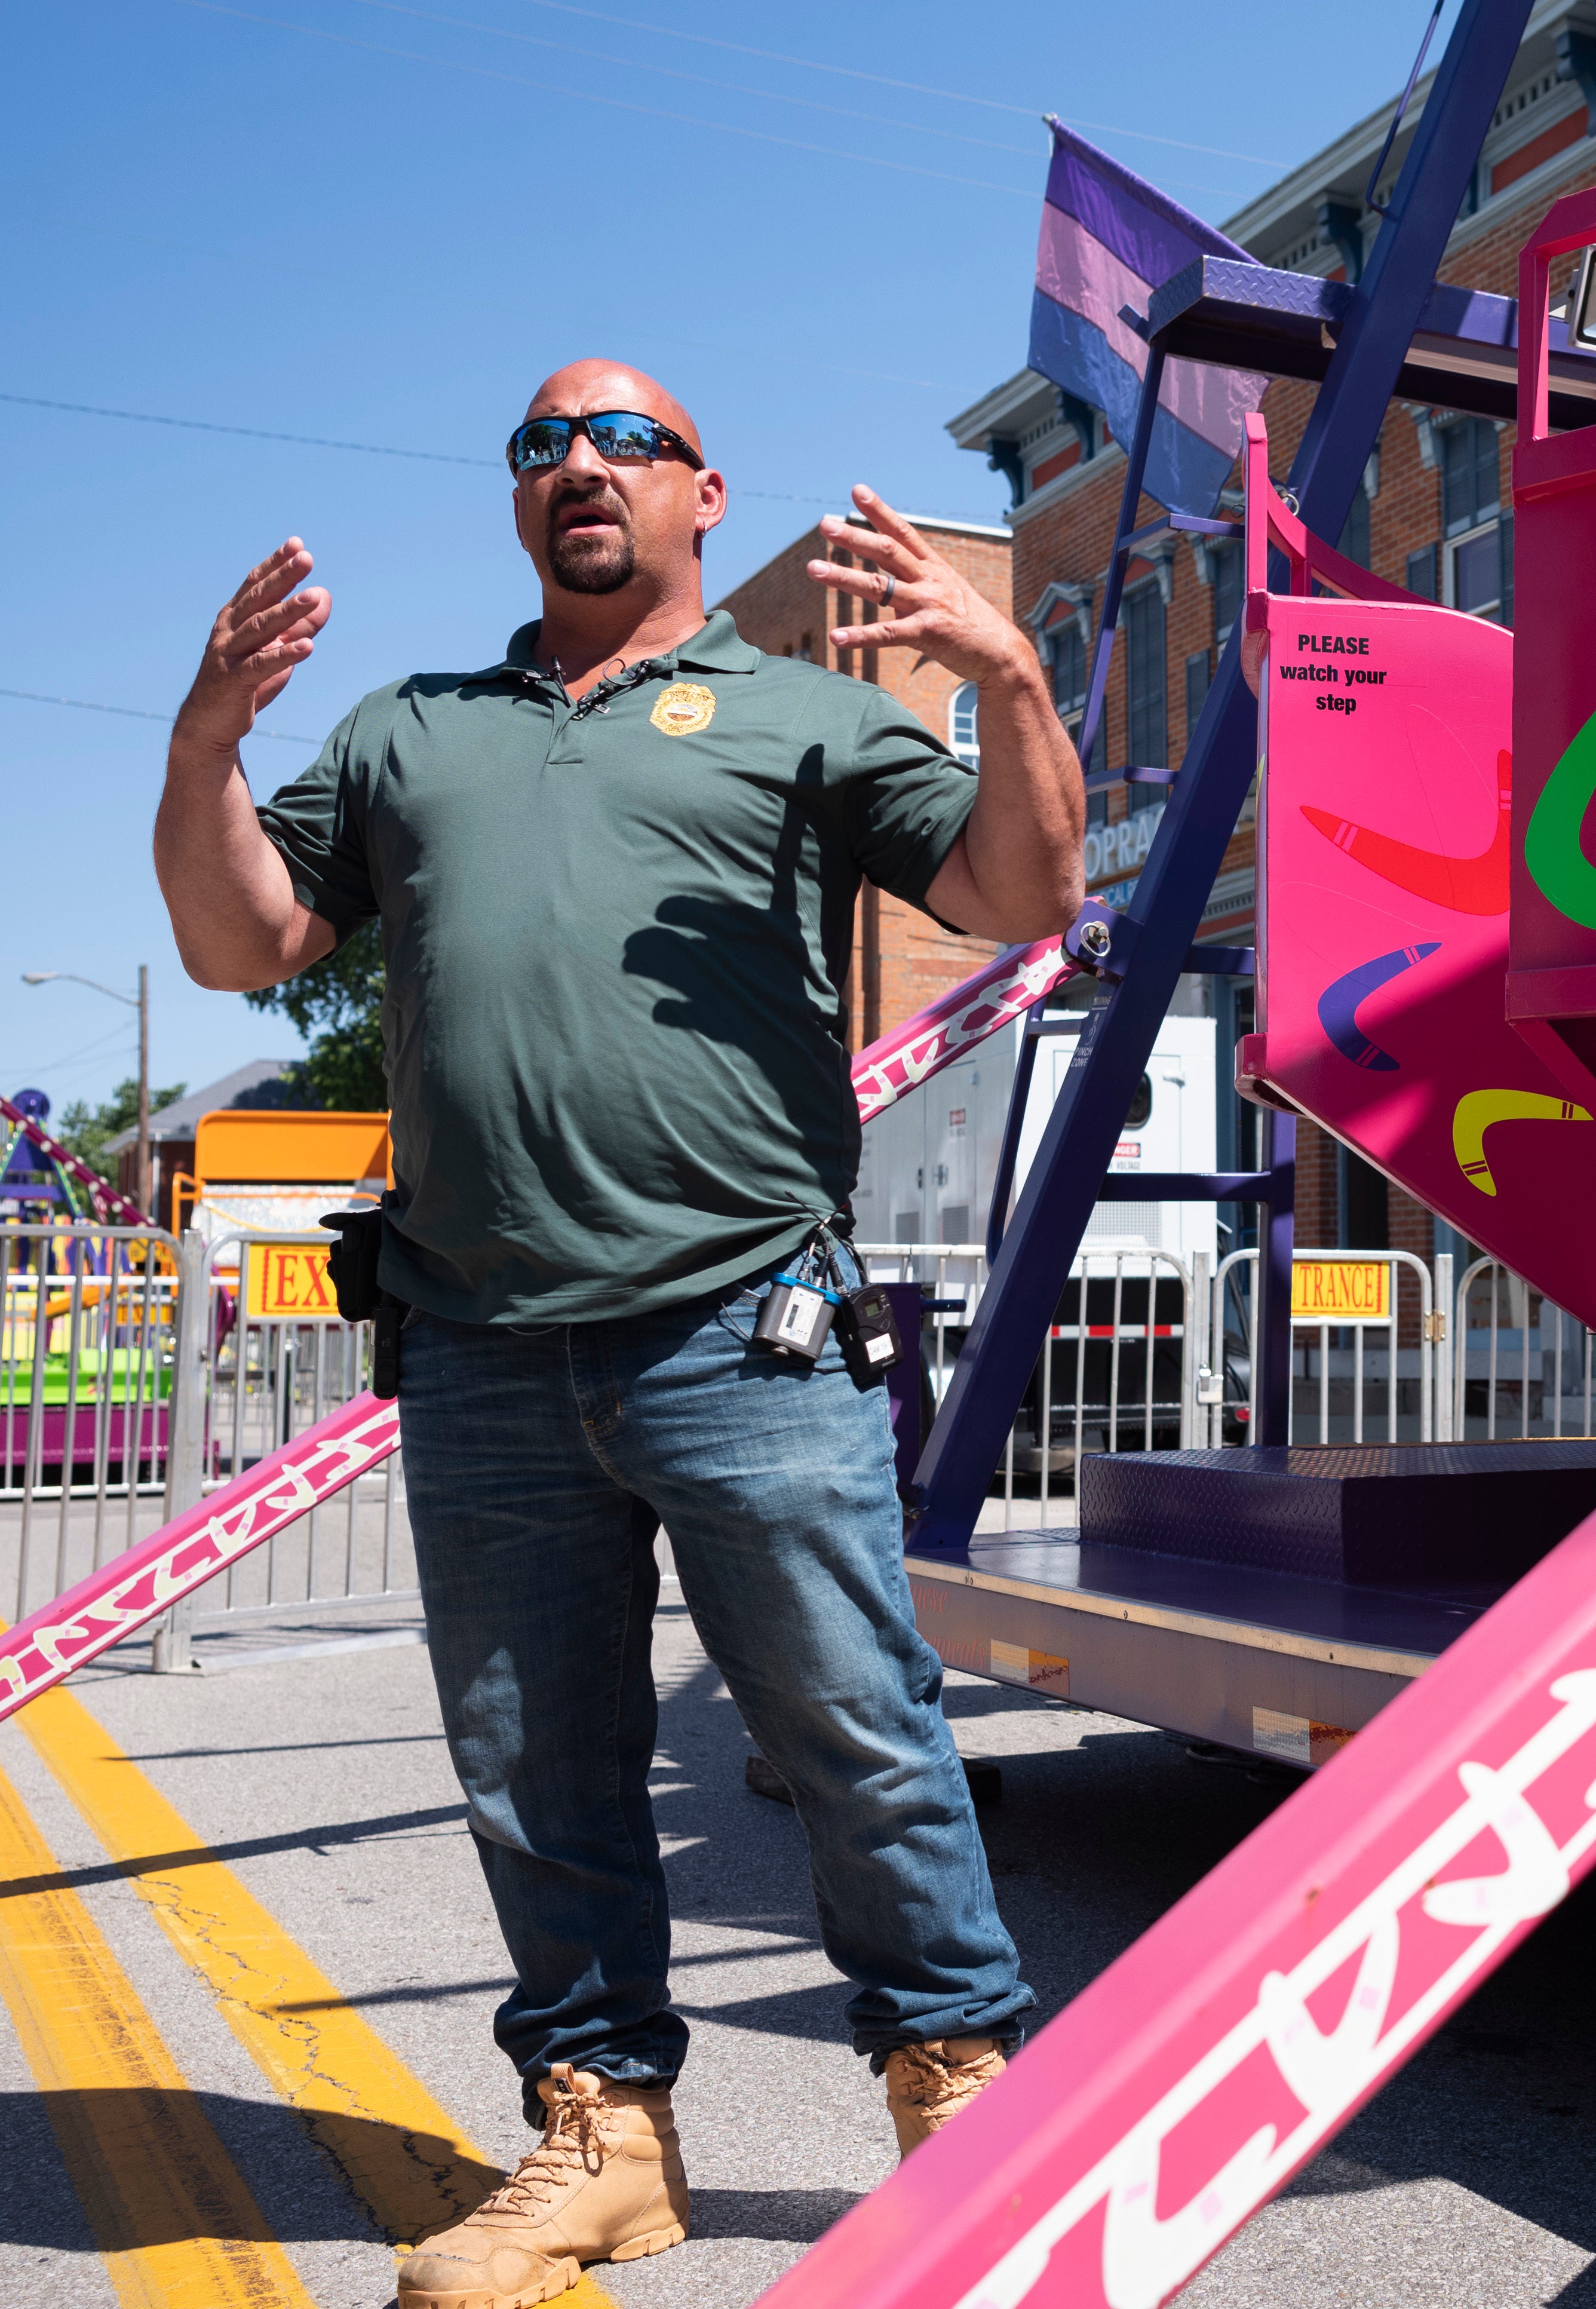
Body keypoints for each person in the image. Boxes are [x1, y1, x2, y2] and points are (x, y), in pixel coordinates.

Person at [155, 360, 1084, 2308]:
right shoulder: (416, 729)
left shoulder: (806, 714)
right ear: (519, 504)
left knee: (854, 1728)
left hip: (747, 1322)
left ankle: (964, 2098)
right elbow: (245, 947)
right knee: (538, 1764)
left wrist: (1006, 679)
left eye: (623, 440)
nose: (579, 465)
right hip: (481, 1343)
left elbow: (1018, 889)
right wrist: (206, 744)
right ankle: (602, 2133)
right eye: (540, 445)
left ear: (701, 493)